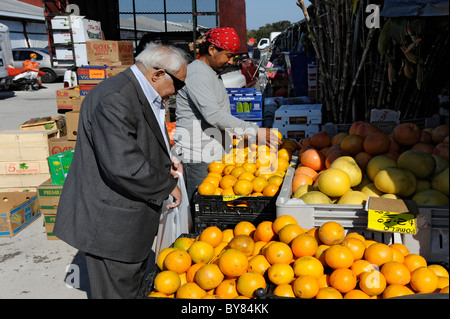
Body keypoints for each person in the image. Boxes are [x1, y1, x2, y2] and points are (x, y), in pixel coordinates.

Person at [53, 43, 189, 299]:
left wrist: (165, 159)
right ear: (158, 74)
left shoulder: (141, 93)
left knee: (130, 287)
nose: (177, 91)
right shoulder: (115, 97)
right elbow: (124, 165)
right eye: (178, 84)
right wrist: (166, 185)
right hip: (111, 227)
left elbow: (137, 140)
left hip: (128, 224)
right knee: (116, 291)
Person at [173, 27, 281, 202]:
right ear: (212, 50)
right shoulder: (197, 74)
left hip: (212, 153)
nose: (231, 62)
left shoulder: (209, 72)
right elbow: (213, 115)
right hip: (199, 156)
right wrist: (254, 130)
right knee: (204, 207)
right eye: (228, 56)